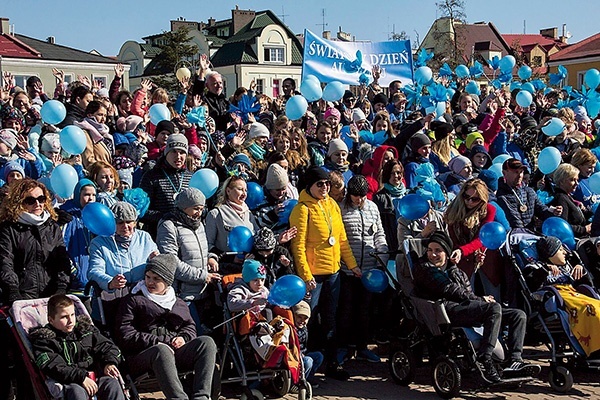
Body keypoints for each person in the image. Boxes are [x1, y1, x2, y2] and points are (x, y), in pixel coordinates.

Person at [413, 231, 540, 383]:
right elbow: (449, 289)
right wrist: (480, 299)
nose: (432, 255)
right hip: (445, 310)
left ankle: (514, 360)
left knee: (518, 315)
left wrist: (480, 301)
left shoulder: (455, 271)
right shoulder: (424, 269)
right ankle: (485, 359)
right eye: (430, 250)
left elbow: (466, 290)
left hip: (465, 307)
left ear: (447, 253)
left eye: (438, 251)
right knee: (493, 309)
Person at [289, 166, 360, 381]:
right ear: (309, 186)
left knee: (331, 319)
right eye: (320, 184)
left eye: (327, 184)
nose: (325, 187)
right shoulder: (302, 209)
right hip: (313, 277)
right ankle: (304, 365)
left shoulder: (332, 205)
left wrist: (352, 265)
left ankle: (332, 364)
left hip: (333, 273)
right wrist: (306, 275)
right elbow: (298, 246)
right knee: (307, 320)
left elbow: (341, 240)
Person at [115, 254, 218, 400]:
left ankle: (201, 396)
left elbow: (189, 326)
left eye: (156, 279)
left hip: (174, 351)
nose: (150, 282)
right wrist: (157, 341)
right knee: (161, 350)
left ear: (167, 282)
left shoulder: (178, 302)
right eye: (148, 277)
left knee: (206, 342)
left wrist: (183, 337)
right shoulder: (133, 300)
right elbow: (125, 334)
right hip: (143, 354)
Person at [30, 294, 125, 400]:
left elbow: (107, 346)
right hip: (67, 382)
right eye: (64, 317)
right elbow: (53, 366)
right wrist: (81, 377)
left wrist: (109, 362)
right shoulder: (45, 341)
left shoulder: (85, 330)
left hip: (93, 377)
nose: (70, 321)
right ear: (51, 320)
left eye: (72, 315)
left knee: (111, 383)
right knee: (76, 391)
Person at [338, 175, 387, 364]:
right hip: (348, 271)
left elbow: (379, 233)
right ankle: (343, 347)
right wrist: (351, 265)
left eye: (363, 196)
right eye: (356, 196)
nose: (360, 200)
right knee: (346, 310)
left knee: (365, 310)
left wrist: (381, 256)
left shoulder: (372, 208)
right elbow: (341, 240)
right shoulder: (341, 209)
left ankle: (362, 346)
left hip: (370, 270)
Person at [0, 179, 71, 304]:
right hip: (22, 296)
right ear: (19, 203)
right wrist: (13, 291)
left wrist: (61, 287)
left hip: (50, 296)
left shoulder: (52, 227)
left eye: (41, 199)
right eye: (30, 200)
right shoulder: (9, 229)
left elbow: (62, 260)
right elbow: (5, 262)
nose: (37, 204)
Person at [534, 236, 600, 355]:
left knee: (597, 305)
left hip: (575, 294)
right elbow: (532, 283)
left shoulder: (567, 267)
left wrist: (581, 269)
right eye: (560, 250)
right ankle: (594, 348)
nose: (565, 252)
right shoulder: (536, 267)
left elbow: (586, 285)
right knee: (590, 309)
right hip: (560, 297)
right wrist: (545, 269)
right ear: (550, 254)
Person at [444, 179, 502, 300]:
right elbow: (453, 237)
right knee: (469, 298)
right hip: (463, 259)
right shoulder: (454, 210)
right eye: (466, 197)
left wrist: (464, 251)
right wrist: (459, 252)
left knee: (493, 296)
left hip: (484, 255)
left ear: (482, 199)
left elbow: (481, 238)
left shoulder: (489, 210)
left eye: (474, 199)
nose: (469, 201)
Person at [88, 202, 158, 292]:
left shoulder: (145, 237)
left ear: (135, 223)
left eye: (129, 222)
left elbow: (157, 262)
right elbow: (94, 271)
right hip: (113, 295)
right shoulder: (99, 243)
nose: (125, 226)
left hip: (142, 291)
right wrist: (110, 282)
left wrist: (155, 259)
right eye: (120, 222)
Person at [140, 133, 192, 238]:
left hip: (186, 234)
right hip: (159, 234)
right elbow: (141, 210)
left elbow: (202, 207)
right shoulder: (151, 176)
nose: (178, 156)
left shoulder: (191, 177)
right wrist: (164, 216)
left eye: (182, 152)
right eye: (174, 152)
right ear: (166, 153)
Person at [205, 176, 258, 274]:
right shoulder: (216, 214)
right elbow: (207, 244)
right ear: (228, 191)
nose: (244, 194)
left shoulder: (249, 214)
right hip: (227, 270)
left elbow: (257, 239)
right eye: (240, 189)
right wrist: (230, 258)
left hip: (249, 269)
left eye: (245, 190)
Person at [496, 158, 562, 230]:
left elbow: (541, 209)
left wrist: (553, 212)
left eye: (521, 172)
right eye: (516, 172)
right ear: (504, 173)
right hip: (511, 236)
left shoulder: (529, 192)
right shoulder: (499, 195)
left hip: (529, 234)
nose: (520, 175)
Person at [60, 179, 97, 292]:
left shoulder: (96, 216)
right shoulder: (67, 217)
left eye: (93, 195)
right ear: (77, 195)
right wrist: (74, 273)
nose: (90, 198)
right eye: (86, 194)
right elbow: (61, 247)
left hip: (92, 282)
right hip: (74, 282)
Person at [550, 163, 593, 238]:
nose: (577, 183)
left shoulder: (567, 196)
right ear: (561, 181)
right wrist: (584, 229)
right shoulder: (561, 198)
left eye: (577, 180)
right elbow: (563, 226)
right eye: (572, 180)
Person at [373, 160, 407, 251]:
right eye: (392, 173)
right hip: (391, 242)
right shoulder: (379, 198)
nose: (396, 176)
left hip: (407, 240)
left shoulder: (409, 195)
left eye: (398, 172)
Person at [292, 301, 323, 388]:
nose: (302, 321)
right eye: (299, 317)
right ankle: (297, 383)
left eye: (305, 318)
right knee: (308, 361)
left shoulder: (305, 329)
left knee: (318, 356)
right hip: (294, 356)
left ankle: (308, 376)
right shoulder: (290, 328)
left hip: (303, 353)